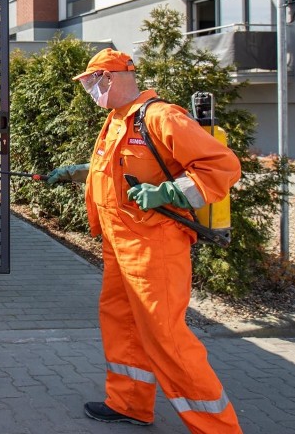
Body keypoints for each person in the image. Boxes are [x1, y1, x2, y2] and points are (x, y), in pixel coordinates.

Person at [47, 48, 243, 433]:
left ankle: (217, 427)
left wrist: (169, 192)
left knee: (165, 338)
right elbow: (120, 168)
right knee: (122, 324)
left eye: (92, 82)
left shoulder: (161, 116)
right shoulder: (118, 120)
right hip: (121, 245)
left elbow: (222, 165)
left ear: (113, 77)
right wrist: (77, 172)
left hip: (156, 245)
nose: (90, 90)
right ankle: (129, 403)